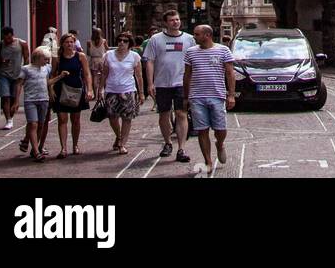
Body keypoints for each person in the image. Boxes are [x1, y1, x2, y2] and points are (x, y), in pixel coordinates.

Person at [182, 23, 236, 177]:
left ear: (207, 35)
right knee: (202, 129)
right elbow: (187, 75)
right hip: (197, 96)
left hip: (217, 95)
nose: (194, 36)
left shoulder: (223, 50)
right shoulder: (191, 52)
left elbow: (230, 73)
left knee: (220, 129)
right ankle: (208, 161)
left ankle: (220, 143)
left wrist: (231, 95)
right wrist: (186, 96)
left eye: (197, 34)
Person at [144, 10, 194, 163]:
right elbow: (150, 61)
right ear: (166, 22)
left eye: (177, 19)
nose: (175, 22)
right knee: (164, 115)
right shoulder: (156, 39)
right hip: (162, 83)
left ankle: (181, 148)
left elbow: (193, 61)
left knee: (181, 114)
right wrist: (150, 83)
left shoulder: (189, 39)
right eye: (172, 20)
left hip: (181, 82)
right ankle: (167, 142)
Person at [98, 31, 144, 154]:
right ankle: (118, 135)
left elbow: (139, 76)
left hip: (128, 89)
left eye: (125, 41)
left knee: (127, 118)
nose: (122, 43)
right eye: (120, 40)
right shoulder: (109, 55)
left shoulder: (134, 56)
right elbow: (104, 73)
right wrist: (100, 89)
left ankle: (122, 143)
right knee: (112, 116)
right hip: (112, 89)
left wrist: (141, 93)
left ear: (130, 43)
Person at [49, 31, 93, 156]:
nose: (69, 44)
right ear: (62, 44)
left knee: (75, 119)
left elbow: (86, 73)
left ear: (74, 43)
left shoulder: (80, 56)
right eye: (67, 42)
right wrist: (51, 88)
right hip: (61, 88)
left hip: (76, 88)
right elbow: (53, 74)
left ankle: (75, 144)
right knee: (62, 119)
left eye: (71, 42)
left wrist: (90, 89)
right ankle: (63, 147)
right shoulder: (57, 58)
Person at [0, 26, 29, 129]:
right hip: (3, 74)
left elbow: (27, 58)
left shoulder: (21, 43)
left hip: (17, 75)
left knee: (14, 99)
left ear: (12, 35)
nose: (8, 41)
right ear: (3, 37)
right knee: (5, 97)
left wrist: (25, 73)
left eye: (9, 38)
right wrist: (0, 61)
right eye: (6, 39)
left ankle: (11, 117)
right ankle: (8, 120)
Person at [19, 48, 52, 161]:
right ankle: (37, 151)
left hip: (44, 99)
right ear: (37, 57)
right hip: (30, 100)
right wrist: (16, 101)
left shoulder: (47, 68)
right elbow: (19, 84)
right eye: (45, 59)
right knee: (33, 124)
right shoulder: (26, 69)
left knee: (41, 124)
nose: (47, 61)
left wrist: (60, 76)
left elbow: (48, 82)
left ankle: (33, 147)